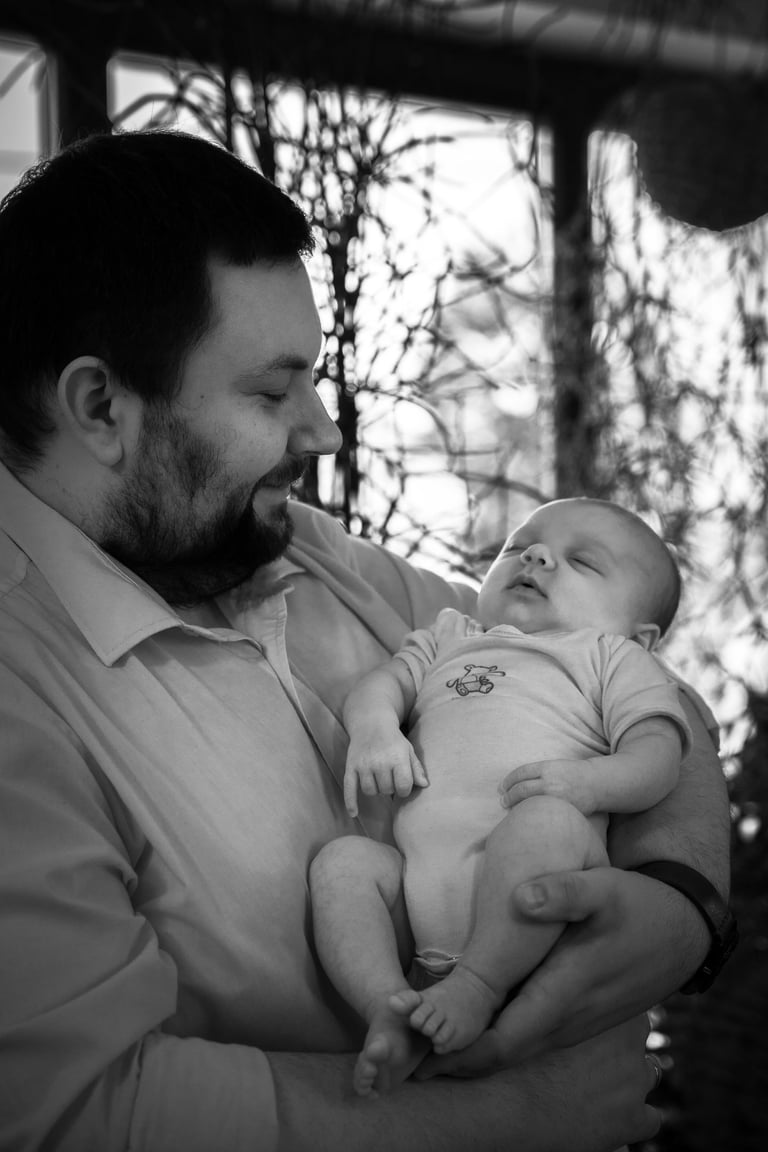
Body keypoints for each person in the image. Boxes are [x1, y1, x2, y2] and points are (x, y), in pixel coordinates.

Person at [0, 129, 730, 1152]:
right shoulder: (19, 695)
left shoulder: (300, 548)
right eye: (270, 391)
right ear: (99, 407)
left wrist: (681, 899)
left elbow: (633, 683)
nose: (323, 430)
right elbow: (74, 1113)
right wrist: (524, 1116)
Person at [311, 497, 692, 1095]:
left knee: (546, 823)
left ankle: (479, 986)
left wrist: (590, 784)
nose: (535, 556)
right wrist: (376, 729)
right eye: (519, 546)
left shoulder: (610, 656)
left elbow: (658, 756)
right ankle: (386, 1003)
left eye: (583, 561)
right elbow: (381, 687)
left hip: (535, 914)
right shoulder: (448, 637)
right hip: (415, 892)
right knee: (343, 864)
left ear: (640, 635)